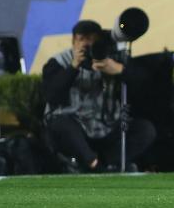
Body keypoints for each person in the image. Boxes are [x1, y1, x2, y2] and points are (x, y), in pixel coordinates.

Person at [42, 20, 156, 172]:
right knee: (61, 124)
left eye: (92, 39)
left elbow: (144, 85)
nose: (87, 44)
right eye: (82, 39)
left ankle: (109, 163)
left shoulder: (111, 57)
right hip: (76, 127)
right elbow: (52, 95)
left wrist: (120, 70)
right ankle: (93, 164)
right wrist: (74, 66)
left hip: (107, 126)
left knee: (145, 130)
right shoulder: (59, 61)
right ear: (73, 41)